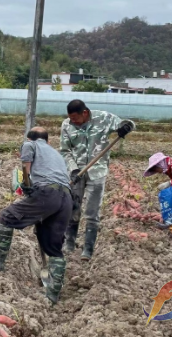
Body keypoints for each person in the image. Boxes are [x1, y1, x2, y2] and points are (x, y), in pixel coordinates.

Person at [0, 127, 72, 304]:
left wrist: (27, 185)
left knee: (7, 217)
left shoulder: (30, 145)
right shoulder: (56, 154)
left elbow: (25, 168)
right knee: (53, 246)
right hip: (66, 198)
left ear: (30, 138)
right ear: (48, 141)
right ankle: (52, 295)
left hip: (47, 193)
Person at [60, 99, 134, 261]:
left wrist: (125, 127)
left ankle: (88, 249)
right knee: (73, 208)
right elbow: (65, 151)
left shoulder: (104, 118)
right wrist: (73, 169)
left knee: (92, 212)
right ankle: (69, 243)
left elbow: (128, 123)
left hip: (97, 172)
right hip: (76, 172)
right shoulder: (66, 125)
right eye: (71, 119)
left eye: (75, 119)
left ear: (84, 113)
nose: (73, 122)